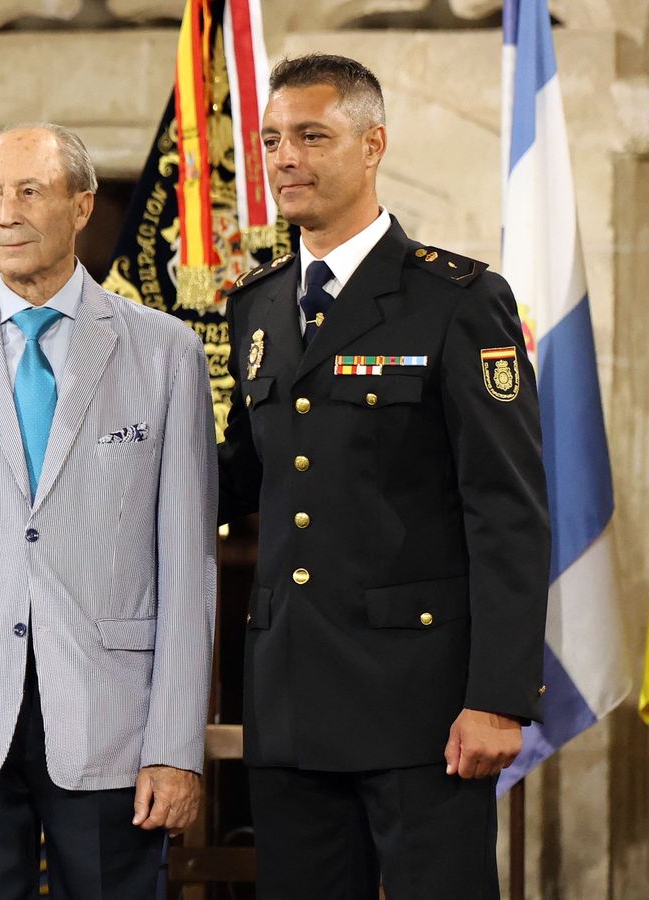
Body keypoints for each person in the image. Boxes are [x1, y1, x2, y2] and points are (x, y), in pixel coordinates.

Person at [217, 53, 548, 898]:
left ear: (373, 145)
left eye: (311, 136)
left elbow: (507, 509)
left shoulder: (457, 299)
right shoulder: (255, 304)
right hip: (290, 702)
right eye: (272, 140)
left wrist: (499, 697)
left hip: (423, 710)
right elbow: (235, 482)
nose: (286, 157)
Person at [0, 123, 218, 899]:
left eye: (30, 191)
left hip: (112, 724)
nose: (7, 213)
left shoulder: (166, 354)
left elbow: (189, 566)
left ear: (82, 205)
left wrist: (174, 745)